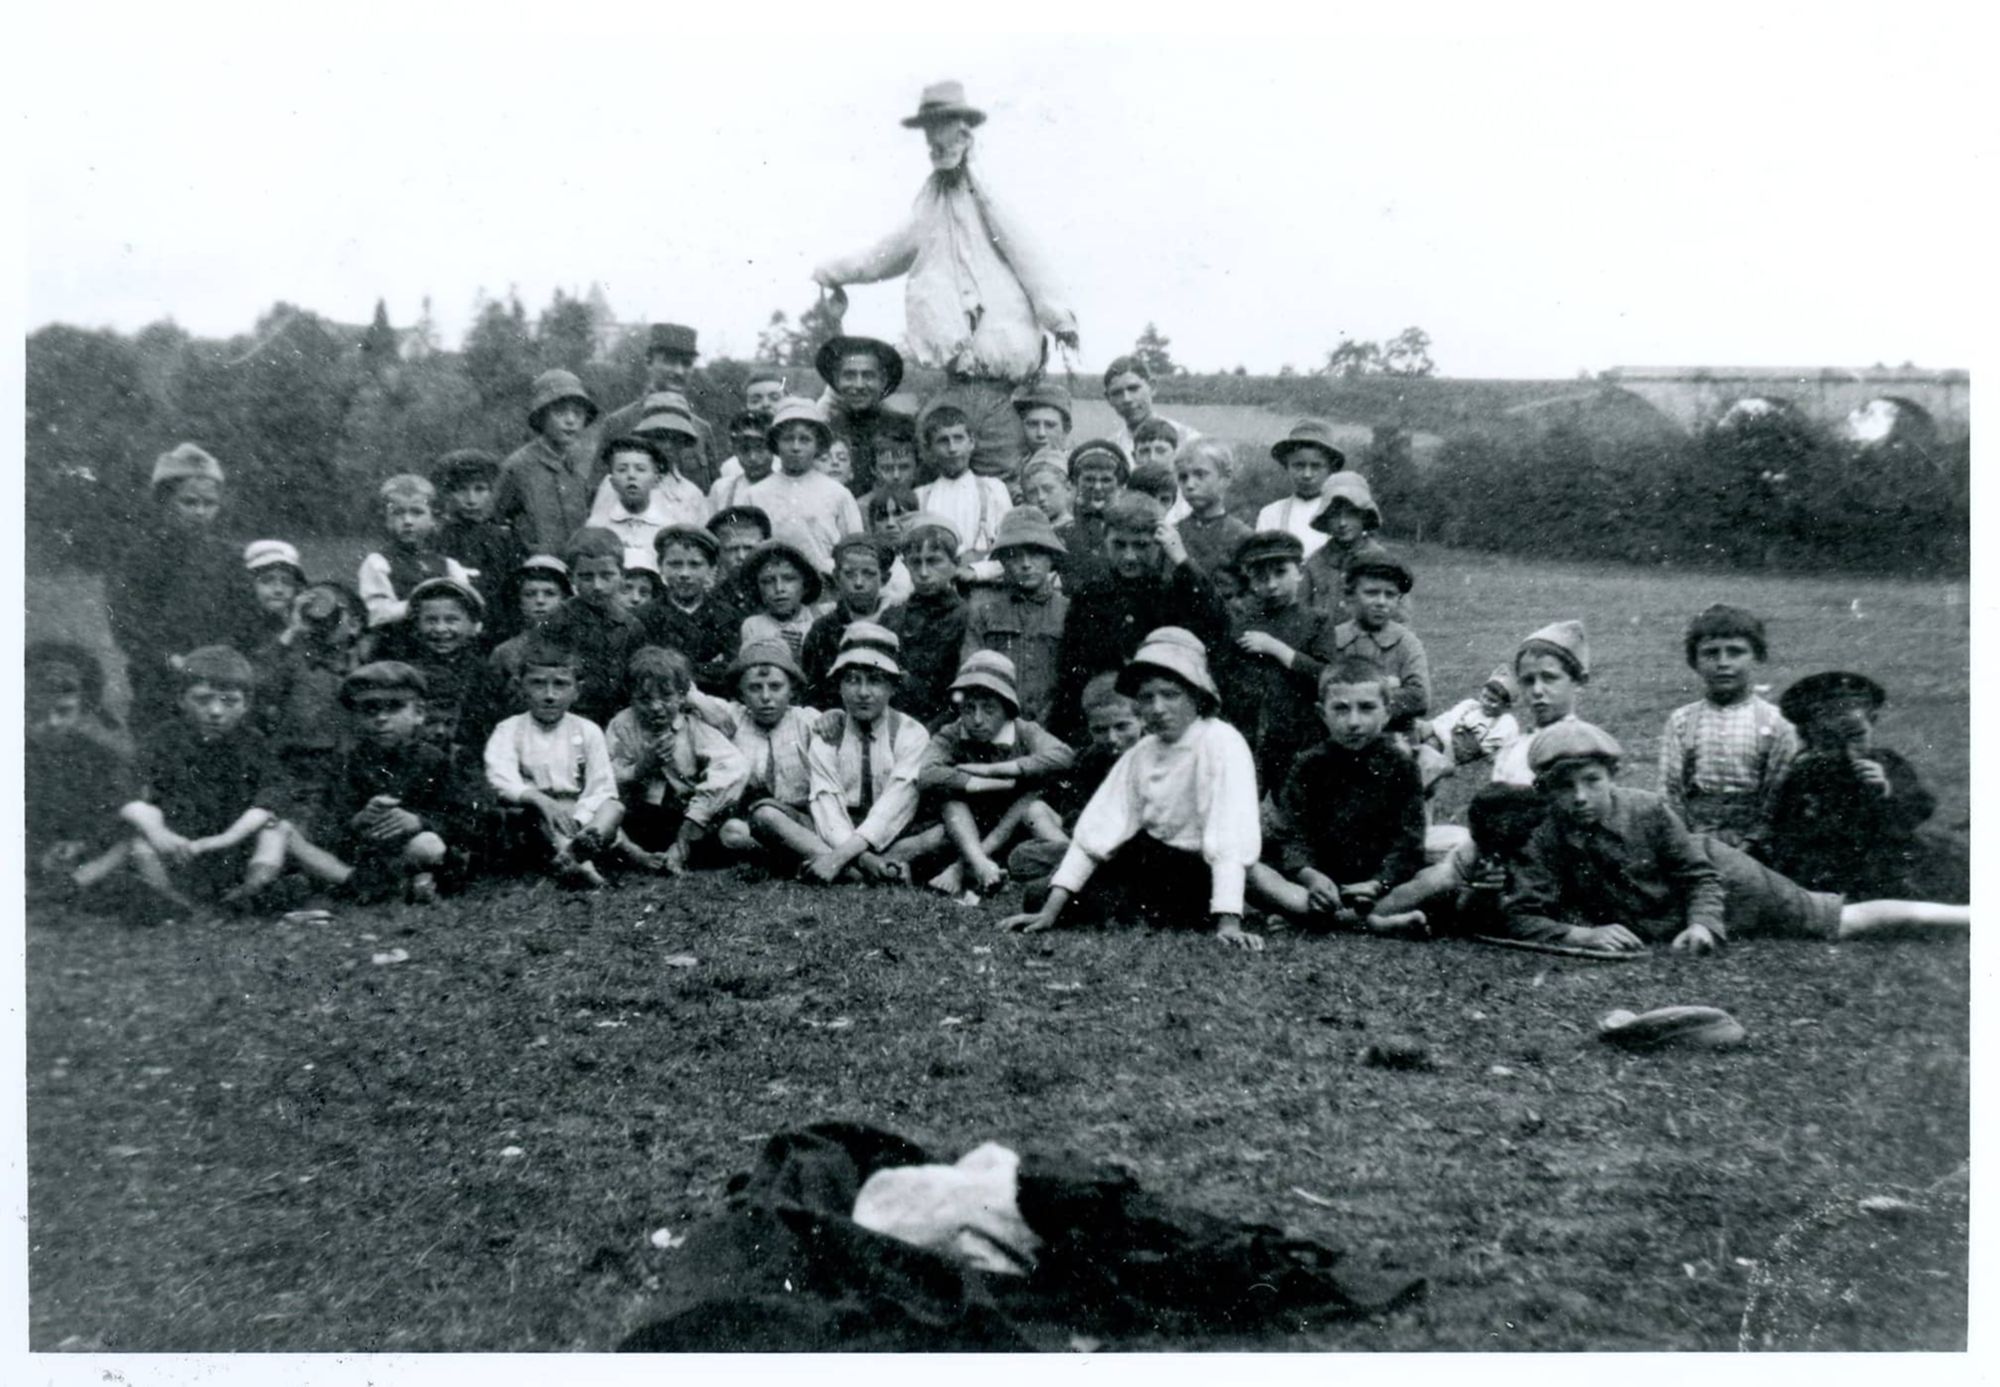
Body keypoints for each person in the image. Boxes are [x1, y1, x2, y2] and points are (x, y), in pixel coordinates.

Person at [1501, 720, 1968, 954]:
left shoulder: (1647, 809)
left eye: (1591, 781)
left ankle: (1969, 917)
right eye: (1564, 786)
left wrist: (1703, 924)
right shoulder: (1546, 834)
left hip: (1728, 880)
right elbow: (1519, 914)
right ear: (1545, 791)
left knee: (1836, 921)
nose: (1580, 797)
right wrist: (1584, 935)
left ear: (1612, 775)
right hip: (1660, 918)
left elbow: (1700, 876)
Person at [812, 80, 1078, 486]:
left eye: (947, 128)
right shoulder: (929, 207)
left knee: (999, 478)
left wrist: (1059, 319)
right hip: (955, 381)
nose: (939, 140)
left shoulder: (990, 197)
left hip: (997, 386)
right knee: (936, 473)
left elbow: (1029, 255)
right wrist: (835, 271)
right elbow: (886, 253)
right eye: (931, 131)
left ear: (965, 132)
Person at [1000, 628, 1263, 952]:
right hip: (1147, 862)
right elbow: (1100, 827)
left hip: (1197, 871)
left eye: (1170, 694)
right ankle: (1126, 907)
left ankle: (1178, 911)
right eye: (1147, 697)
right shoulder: (1143, 752)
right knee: (1038, 896)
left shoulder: (1221, 742)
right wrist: (1049, 912)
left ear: (1197, 695)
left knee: (1144, 903)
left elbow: (1228, 835)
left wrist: (1229, 922)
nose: (1158, 708)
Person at [275, 662, 484, 904]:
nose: (381, 719)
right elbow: (329, 823)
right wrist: (360, 819)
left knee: (428, 846)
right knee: (298, 843)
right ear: (356, 717)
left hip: (414, 846)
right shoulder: (347, 763)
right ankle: (391, 886)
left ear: (419, 714)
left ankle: (390, 885)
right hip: (365, 851)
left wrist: (417, 821)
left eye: (394, 708)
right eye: (370, 710)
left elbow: (465, 818)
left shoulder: (434, 760)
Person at [1251, 658, 1428, 932]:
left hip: (1379, 885)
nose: (1354, 722)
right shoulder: (1308, 765)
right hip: (1320, 884)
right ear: (1323, 714)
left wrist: (1380, 883)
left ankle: (1311, 918)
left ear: (1387, 712)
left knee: (1437, 879)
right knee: (1250, 870)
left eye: (1367, 708)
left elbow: (1409, 841)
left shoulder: (1401, 765)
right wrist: (1310, 876)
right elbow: (1293, 835)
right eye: (1341, 709)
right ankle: (1368, 922)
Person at [1048, 491, 1229, 743]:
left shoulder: (1174, 591)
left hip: (1162, 723)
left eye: (1141, 545)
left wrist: (1182, 560)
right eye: (1119, 545)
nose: (1129, 556)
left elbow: (1218, 622)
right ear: (1105, 541)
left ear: (1160, 543)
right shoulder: (1090, 596)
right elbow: (1071, 672)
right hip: (1108, 728)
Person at [117, 645, 286, 914]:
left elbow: (270, 797)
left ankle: (253, 889)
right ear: (181, 699)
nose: (216, 711)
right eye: (203, 699)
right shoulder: (162, 739)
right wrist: (160, 833)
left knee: (275, 829)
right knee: (138, 837)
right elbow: (127, 792)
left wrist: (224, 839)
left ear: (247, 705)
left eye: (229, 701)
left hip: (230, 847)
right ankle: (165, 897)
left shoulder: (254, 743)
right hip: (178, 846)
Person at [107, 443, 259, 725]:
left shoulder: (232, 558)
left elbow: (248, 617)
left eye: (209, 504)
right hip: (161, 679)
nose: (200, 512)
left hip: (224, 676)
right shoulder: (139, 558)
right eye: (189, 502)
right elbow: (127, 622)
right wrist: (168, 659)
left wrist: (225, 658)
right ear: (165, 503)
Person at [1765, 672, 1943, 900]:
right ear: (1810, 732)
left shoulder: (1886, 762)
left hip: (1884, 858)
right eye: (1830, 740)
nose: (1848, 747)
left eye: (1858, 734)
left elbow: (1919, 806)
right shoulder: (1805, 770)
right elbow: (1787, 824)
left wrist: (1886, 789)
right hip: (1825, 863)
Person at [910, 651, 1073, 898]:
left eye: (988, 709)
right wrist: (985, 783)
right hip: (970, 829)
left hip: (1019, 827)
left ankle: (962, 869)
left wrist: (999, 769)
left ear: (1007, 709)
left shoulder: (1024, 730)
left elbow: (1063, 755)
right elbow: (927, 773)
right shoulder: (952, 733)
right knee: (950, 801)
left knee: (1032, 800)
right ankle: (980, 864)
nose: (976, 719)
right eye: (968, 708)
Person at [482, 635, 623, 890]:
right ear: (520, 686)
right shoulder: (509, 729)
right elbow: (499, 777)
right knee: (545, 814)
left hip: (580, 815)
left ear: (576, 690)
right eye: (538, 684)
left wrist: (579, 819)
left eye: (560, 685)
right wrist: (539, 799)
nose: (549, 695)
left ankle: (575, 854)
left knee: (614, 807)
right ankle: (584, 867)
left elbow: (601, 786)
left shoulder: (587, 730)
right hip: (535, 816)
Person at [798, 624, 932, 884]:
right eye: (852, 680)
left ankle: (846, 867)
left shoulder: (911, 733)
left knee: (942, 830)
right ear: (839, 686)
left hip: (895, 831)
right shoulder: (828, 733)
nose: (863, 692)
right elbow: (827, 805)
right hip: (838, 829)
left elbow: (897, 804)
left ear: (893, 687)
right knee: (767, 816)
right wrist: (862, 855)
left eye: (875, 680)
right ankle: (876, 868)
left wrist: (838, 856)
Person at [1657, 604, 1799, 849]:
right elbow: (1671, 792)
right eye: (1711, 653)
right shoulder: (1682, 720)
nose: (1723, 663)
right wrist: (1685, 841)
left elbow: (1779, 793)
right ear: (1694, 661)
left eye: (1735, 652)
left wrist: (1753, 841)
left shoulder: (1776, 722)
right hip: (1694, 841)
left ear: (1757, 656)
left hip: (1758, 845)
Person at [604, 646, 748, 875]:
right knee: (607, 816)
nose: (656, 707)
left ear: (682, 696)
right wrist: (641, 769)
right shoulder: (622, 725)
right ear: (630, 697)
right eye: (644, 699)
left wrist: (695, 819)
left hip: (687, 816)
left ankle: (682, 849)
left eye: (667, 696)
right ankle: (637, 855)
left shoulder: (692, 725)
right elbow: (605, 776)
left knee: (725, 828)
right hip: (642, 816)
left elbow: (733, 766)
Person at [1219, 530, 1338, 793]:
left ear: (1299, 571)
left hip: (1302, 737)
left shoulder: (1317, 621)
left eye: (1280, 572)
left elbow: (1328, 676)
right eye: (1261, 576)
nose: (1271, 584)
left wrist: (1277, 649)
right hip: (1253, 738)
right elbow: (1227, 680)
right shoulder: (1243, 624)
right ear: (1251, 580)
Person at [686, 640, 824, 860]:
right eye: (755, 688)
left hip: (797, 819)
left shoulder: (806, 720)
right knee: (732, 832)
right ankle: (784, 858)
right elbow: (676, 686)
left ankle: (787, 857)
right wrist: (700, 702)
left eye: (776, 686)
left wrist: (834, 717)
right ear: (741, 693)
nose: (766, 697)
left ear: (792, 689)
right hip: (749, 821)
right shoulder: (731, 716)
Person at [26, 642, 135, 900]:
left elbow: (113, 812)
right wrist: (38, 853)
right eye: (37, 712)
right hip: (31, 848)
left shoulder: (100, 758)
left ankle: (76, 883)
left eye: (64, 711)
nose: (52, 722)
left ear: (82, 709)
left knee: (130, 834)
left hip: (81, 849)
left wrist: (81, 844)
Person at [961, 506, 1069, 727]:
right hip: (997, 726)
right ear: (1002, 561)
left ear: (1051, 558)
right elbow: (971, 675)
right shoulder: (985, 612)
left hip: (1056, 727)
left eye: (1036, 553)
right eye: (1014, 555)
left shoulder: (1068, 611)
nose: (1026, 563)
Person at [256, 580, 366, 788]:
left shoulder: (366, 668)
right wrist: (293, 630)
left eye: (333, 611)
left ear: (354, 625)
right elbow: (258, 688)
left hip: (348, 772)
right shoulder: (293, 663)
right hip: (296, 772)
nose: (321, 618)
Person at [743, 398, 865, 577]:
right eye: (788, 439)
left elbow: (856, 547)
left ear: (818, 445)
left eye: (805, 440)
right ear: (776, 444)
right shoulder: (754, 495)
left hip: (826, 588)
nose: (796, 447)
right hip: (774, 586)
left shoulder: (838, 494)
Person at [541, 526, 645, 728]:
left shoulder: (631, 626)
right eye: (587, 577)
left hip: (618, 720)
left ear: (622, 575)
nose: (597, 585)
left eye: (606, 575)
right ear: (571, 577)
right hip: (569, 720)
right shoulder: (555, 621)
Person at [593, 324, 718, 490]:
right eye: (670, 361)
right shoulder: (618, 424)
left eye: (686, 363)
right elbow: (596, 491)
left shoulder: (701, 430)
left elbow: (713, 496)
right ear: (649, 362)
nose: (679, 371)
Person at [398, 575, 508, 764]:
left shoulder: (486, 674)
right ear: (416, 626)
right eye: (431, 620)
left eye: (451, 620)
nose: (441, 629)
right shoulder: (405, 674)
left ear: (474, 626)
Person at [495, 369, 603, 555]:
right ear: (541, 416)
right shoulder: (518, 466)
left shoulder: (583, 466)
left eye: (578, 413)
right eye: (560, 412)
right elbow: (494, 521)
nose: (570, 420)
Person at [880, 515, 970, 725]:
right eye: (915, 562)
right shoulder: (892, 617)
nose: (923, 573)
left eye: (933, 561)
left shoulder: (967, 618)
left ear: (955, 564)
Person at [638, 526, 741, 694]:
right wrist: (707, 668)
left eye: (694, 565)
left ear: (711, 568)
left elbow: (730, 673)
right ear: (660, 566)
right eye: (675, 564)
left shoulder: (728, 617)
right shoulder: (643, 618)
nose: (684, 573)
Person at [1331, 549, 1429, 721]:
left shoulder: (1406, 643)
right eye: (1371, 593)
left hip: (1395, 736)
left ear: (1398, 600)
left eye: (1390, 595)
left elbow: (1419, 699)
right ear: (1351, 595)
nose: (1381, 602)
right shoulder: (1334, 638)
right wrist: (1388, 689)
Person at [1492, 620, 1589, 787]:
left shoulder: (1587, 747)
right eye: (1528, 681)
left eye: (1549, 678)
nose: (1537, 690)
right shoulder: (1511, 751)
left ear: (1578, 681)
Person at [585, 434, 701, 572]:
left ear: (656, 480)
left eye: (640, 469)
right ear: (612, 481)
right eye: (622, 469)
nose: (631, 476)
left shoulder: (671, 528)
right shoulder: (597, 526)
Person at [431, 449, 523, 620]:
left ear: (492, 492)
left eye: (480, 489)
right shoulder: (438, 537)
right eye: (461, 490)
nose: (471, 499)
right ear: (448, 493)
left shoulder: (503, 537)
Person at [915, 404, 1012, 564]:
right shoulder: (921, 497)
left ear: (971, 442)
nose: (952, 448)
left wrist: (975, 571)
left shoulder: (993, 490)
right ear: (930, 449)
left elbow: (1008, 550)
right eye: (943, 441)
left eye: (958, 438)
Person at [802, 534, 897, 698]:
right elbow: (812, 691)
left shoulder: (898, 623)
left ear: (885, 578)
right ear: (837, 577)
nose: (859, 582)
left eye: (868, 573)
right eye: (849, 574)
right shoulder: (823, 630)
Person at [358, 474, 456, 631]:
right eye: (398, 513)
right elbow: (376, 613)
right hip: (398, 643)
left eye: (417, 513)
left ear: (433, 519)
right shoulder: (378, 563)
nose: (407, 521)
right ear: (386, 519)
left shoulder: (447, 564)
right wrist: (419, 605)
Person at [816, 335, 907, 495]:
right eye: (849, 376)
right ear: (837, 381)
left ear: (883, 381)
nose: (858, 385)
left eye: (868, 376)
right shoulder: (826, 432)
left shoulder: (904, 428)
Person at [1255, 420, 1348, 559]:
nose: (1307, 474)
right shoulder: (1271, 514)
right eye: (1299, 466)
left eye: (1316, 466)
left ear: (1330, 469)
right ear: (1287, 467)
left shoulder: (1345, 514)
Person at [1300, 472, 1386, 619]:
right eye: (1334, 515)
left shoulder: (1381, 560)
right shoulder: (1315, 562)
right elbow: (1301, 612)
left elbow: (1399, 618)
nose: (1342, 523)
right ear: (1325, 519)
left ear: (1364, 516)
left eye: (1351, 514)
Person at [1172, 439, 1252, 596]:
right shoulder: (1174, 533)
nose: (1190, 485)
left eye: (1200, 475)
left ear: (1226, 478)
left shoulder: (1243, 536)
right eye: (1183, 477)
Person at [1101, 356, 1198, 483]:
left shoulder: (1189, 441)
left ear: (1152, 387)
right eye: (1117, 393)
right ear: (1108, 399)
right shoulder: (1109, 450)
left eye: (1133, 389)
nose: (1127, 399)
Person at [489, 555, 571, 689]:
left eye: (550, 593)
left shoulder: (578, 644)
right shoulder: (504, 652)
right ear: (519, 602)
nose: (540, 600)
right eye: (530, 594)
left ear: (565, 599)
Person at [1425, 666, 1521, 779]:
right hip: (1444, 734)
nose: (1485, 702)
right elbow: (1447, 719)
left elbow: (1507, 751)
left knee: (1428, 747)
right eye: (1484, 696)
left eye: (1493, 701)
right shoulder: (1472, 706)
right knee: (1417, 728)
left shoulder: (1505, 723)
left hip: (1454, 747)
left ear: (1506, 706)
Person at [739, 539, 824, 662]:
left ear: (805, 585)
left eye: (789, 579)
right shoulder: (753, 626)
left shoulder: (818, 621)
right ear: (757, 588)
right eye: (768, 581)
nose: (779, 589)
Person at [1060, 439, 1130, 588]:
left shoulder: (1131, 532)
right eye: (1089, 479)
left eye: (1106, 480)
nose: (1097, 487)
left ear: (1120, 484)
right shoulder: (1062, 535)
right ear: (1075, 482)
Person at [241, 540, 308, 653]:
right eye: (267, 580)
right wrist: (291, 632)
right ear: (250, 586)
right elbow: (260, 665)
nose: (279, 590)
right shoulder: (239, 626)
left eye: (287, 581)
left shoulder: (300, 619)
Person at [708, 411, 777, 512]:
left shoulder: (785, 488)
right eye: (745, 449)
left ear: (773, 449)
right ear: (735, 450)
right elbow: (714, 524)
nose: (752, 457)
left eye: (760, 448)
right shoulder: (722, 490)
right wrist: (732, 522)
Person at [1011, 381, 1073, 467]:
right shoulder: (1011, 467)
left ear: (1065, 429)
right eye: (1032, 424)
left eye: (1050, 425)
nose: (1041, 433)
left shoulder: (1076, 470)